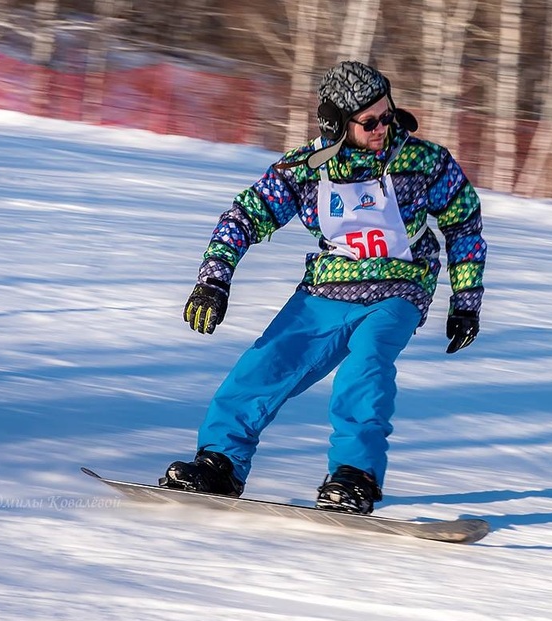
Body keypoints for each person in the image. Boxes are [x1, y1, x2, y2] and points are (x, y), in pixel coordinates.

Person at [160, 60, 487, 514]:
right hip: (327, 287)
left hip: (400, 286)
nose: (382, 128)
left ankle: (354, 475)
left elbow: (464, 226)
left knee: (365, 367)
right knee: (264, 366)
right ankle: (220, 463)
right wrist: (213, 280)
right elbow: (244, 215)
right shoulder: (305, 168)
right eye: (369, 122)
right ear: (337, 123)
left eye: (388, 115)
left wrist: (466, 302)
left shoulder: (425, 162)